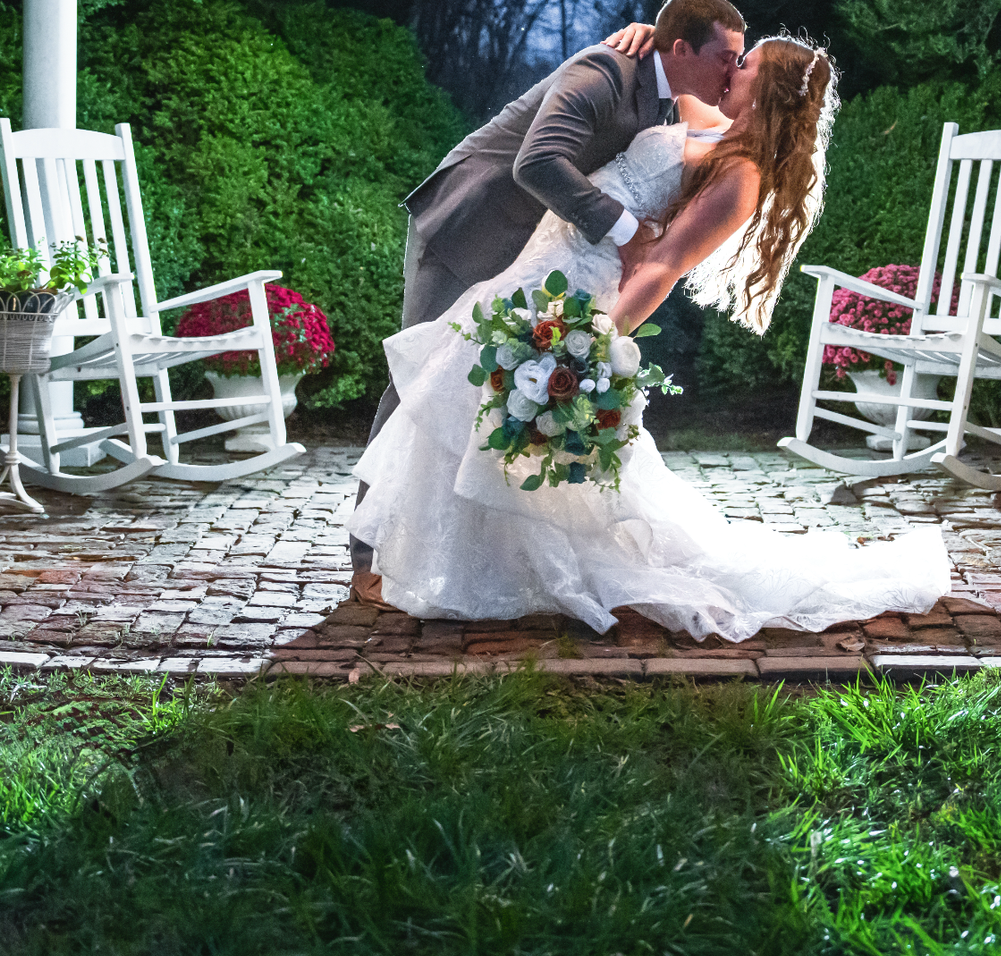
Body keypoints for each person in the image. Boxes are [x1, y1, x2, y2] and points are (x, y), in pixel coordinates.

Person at [350, 34, 950, 642]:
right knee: (455, 396)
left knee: (476, 398)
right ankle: (438, 564)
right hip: (537, 263)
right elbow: (681, 64)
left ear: (766, 89)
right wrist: (650, 32)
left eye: (746, 65)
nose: (733, 69)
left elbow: (662, 266)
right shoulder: (711, 123)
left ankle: (473, 570)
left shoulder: (741, 177)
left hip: (577, 288)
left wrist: (593, 344)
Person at [348, 0, 749, 589]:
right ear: (683, 48)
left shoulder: (671, 96)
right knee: (420, 383)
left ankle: (462, 557)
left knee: (480, 396)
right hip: (472, 227)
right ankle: (367, 560)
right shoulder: (604, 71)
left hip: (539, 256)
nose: (732, 70)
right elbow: (535, 162)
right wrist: (627, 229)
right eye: (725, 56)